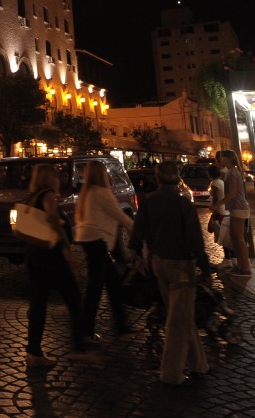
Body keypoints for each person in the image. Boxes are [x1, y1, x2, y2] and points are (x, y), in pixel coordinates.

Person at [128, 160, 211, 385]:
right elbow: (194, 238)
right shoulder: (182, 203)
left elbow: (139, 230)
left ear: (157, 177)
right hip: (180, 264)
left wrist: (136, 254)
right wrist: (204, 266)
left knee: (180, 314)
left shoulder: (149, 202)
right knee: (177, 319)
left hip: (157, 263)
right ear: (177, 177)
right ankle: (171, 372)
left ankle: (198, 364)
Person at [24, 163, 102, 368]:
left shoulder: (33, 197)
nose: (58, 180)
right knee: (74, 298)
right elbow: (51, 218)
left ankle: (33, 352)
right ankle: (79, 348)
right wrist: (66, 250)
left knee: (38, 304)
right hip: (52, 256)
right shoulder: (48, 195)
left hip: (35, 256)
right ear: (50, 179)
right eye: (56, 177)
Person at [75, 160, 135, 336]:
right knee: (95, 287)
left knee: (113, 282)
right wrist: (139, 232)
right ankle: (86, 331)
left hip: (90, 240)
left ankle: (122, 325)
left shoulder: (87, 192)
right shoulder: (102, 192)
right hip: (97, 241)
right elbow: (119, 216)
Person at [216, 150, 251, 275]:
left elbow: (232, 193)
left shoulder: (232, 173)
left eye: (221, 157)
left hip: (238, 207)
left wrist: (218, 204)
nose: (219, 160)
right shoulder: (231, 172)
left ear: (227, 158)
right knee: (235, 237)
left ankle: (245, 267)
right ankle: (240, 265)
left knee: (238, 237)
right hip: (236, 208)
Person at [207, 163, 230, 262]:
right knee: (226, 236)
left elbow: (215, 198)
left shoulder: (214, 183)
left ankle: (227, 259)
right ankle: (230, 259)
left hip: (220, 211)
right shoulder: (221, 181)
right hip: (225, 211)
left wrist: (212, 207)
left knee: (222, 236)